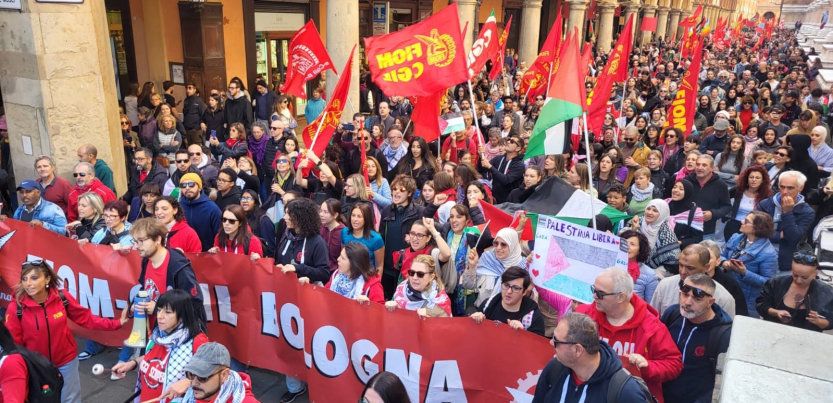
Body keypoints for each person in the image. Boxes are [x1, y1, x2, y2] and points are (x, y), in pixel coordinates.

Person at [5, 260, 128, 403]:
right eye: (24, 279)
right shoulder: (16, 308)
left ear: (47, 279)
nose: (28, 284)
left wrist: (116, 324)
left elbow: (86, 318)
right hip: (37, 367)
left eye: (34, 278)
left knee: (70, 400)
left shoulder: (62, 297)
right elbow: (14, 346)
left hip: (66, 362)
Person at [577, 268, 682, 402]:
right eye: (594, 290)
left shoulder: (652, 327)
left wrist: (648, 367)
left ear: (621, 297)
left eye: (600, 293)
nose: (594, 296)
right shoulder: (583, 316)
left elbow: (674, 365)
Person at [532, 312, 654, 403]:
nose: (551, 343)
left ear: (577, 350)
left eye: (557, 341)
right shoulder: (554, 369)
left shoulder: (624, 391)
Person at [111, 290, 208, 403]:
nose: (160, 316)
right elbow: (154, 359)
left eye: (167, 312)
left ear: (182, 316)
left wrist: (188, 382)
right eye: (158, 310)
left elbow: (214, 374)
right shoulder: (158, 335)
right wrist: (132, 364)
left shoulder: (197, 341)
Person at [660, 274, 732, 403]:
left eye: (697, 299)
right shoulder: (672, 314)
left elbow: (723, 381)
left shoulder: (722, 335)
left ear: (710, 302)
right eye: (685, 294)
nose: (687, 302)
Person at [756, 247, 833, 332]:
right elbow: (761, 304)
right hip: (774, 332)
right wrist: (776, 313)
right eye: (795, 275)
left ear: (815, 273)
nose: (798, 280)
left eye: (804, 277)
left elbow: (831, 320)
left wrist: (818, 321)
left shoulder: (826, 292)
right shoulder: (776, 283)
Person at [650, 244, 737, 317]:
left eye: (690, 268)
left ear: (705, 268)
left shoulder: (723, 298)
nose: (683, 272)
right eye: (680, 265)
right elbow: (652, 318)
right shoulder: (665, 285)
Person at [720, 211, 779, 318]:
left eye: (746, 221)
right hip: (726, 288)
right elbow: (722, 254)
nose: (742, 222)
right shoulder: (735, 238)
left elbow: (767, 282)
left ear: (757, 228)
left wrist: (744, 272)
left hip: (746, 300)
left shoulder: (768, 253)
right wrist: (724, 262)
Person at [379, 176, 428, 297]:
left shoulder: (419, 212)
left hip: (408, 269)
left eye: (401, 189)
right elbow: (381, 237)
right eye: (394, 188)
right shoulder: (386, 210)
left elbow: (428, 236)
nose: (396, 192)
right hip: (387, 268)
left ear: (410, 193)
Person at [757, 171, 815, 271]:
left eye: (790, 188)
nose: (784, 191)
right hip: (758, 254)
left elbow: (793, 238)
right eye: (782, 187)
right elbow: (755, 230)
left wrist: (787, 212)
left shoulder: (807, 212)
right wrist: (779, 235)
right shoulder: (766, 204)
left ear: (800, 188)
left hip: (784, 261)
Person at [469, 266, 545, 337]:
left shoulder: (533, 316)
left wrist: (523, 335)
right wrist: (474, 321)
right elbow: (475, 336)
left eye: (515, 288)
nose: (509, 291)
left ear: (524, 292)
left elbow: (537, 347)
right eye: (506, 285)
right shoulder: (488, 304)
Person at [302, 242, 384, 304]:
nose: (338, 259)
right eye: (340, 256)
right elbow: (324, 295)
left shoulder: (373, 286)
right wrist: (308, 286)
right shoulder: (337, 275)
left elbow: (381, 315)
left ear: (354, 263)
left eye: (343, 258)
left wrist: (368, 306)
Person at [462, 228, 526, 308]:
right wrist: (472, 266)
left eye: (503, 244)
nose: (498, 248)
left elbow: (528, 298)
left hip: (509, 317)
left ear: (512, 245)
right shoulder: (487, 259)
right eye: (496, 243)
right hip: (483, 315)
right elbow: (468, 285)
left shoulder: (524, 267)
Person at [180, 342, 260, 403]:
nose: (194, 383)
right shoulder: (190, 397)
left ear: (224, 375)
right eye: (191, 375)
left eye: (202, 377)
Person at [276, 198, 331, 284]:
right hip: (285, 287)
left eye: (289, 214)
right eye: (285, 213)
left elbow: (324, 273)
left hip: (305, 293)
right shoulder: (287, 236)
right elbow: (279, 259)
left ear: (301, 217)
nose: (284, 217)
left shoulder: (318, 242)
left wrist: (297, 268)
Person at [385, 255, 452, 317]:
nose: (414, 277)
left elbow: (446, 327)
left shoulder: (441, 301)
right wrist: (391, 307)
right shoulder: (401, 289)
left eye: (420, 274)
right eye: (412, 273)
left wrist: (428, 320)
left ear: (431, 277)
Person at [685, 155, 731, 240]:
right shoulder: (686, 181)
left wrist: (713, 214)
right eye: (698, 164)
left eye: (704, 165)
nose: (700, 168)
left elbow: (727, 207)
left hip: (706, 232)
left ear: (712, 168)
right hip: (685, 231)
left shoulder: (720, 185)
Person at [1, 180, 67, 235]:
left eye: (28, 191)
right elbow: (15, 232)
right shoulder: (19, 210)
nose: (24, 195)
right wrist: (5, 222)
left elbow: (64, 232)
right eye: (21, 192)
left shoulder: (53, 209)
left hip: (47, 248)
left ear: (38, 192)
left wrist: (43, 225)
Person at [724, 166, 772, 238]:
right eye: (751, 177)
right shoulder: (738, 189)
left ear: (762, 180)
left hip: (753, 229)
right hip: (734, 225)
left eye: (757, 178)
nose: (754, 180)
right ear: (747, 179)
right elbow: (723, 197)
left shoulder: (767, 195)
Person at [179, 173, 222, 252]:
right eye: (183, 185)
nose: (187, 188)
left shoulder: (212, 208)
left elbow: (220, 235)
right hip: (183, 256)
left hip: (206, 255)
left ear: (199, 187)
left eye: (191, 184)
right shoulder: (178, 208)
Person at [618, 229, 661, 301]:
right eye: (624, 242)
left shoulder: (649, 274)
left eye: (632, 244)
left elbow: (650, 304)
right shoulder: (610, 267)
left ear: (639, 250)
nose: (627, 246)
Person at [341, 202, 385, 272]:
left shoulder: (376, 239)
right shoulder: (344, 232)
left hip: (367, 278)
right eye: (353, 215)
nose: (355, 219)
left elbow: (379, 266)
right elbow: (342, 257)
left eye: (359, 216)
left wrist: (376, 282)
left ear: (366, 219)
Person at [482, 136, 524, 203]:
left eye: (512, 141)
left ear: (518, 148)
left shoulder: (519, 165)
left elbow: (506, 180)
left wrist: (490, 167)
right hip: (495, 199)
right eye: (509, 139)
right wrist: (481, 155)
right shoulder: (499, 158)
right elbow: (483, 169)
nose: (508, 142)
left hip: (509, 203)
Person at [665, 180, 704, 252]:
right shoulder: (664, 204)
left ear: (687, 192)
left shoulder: (695, 212)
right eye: (674, 187)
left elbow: (697, 238)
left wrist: (681, 242)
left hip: (679, 252)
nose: (676, 190)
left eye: (681, 189)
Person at [241, 189, 276, 257]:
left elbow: (270, 248)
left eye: (249, 198)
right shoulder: (240, 218)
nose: (245, 201)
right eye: (242, 198)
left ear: (255, 203)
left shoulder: (264, 221)